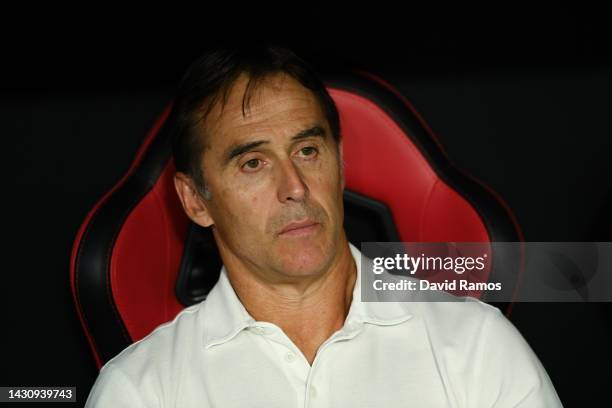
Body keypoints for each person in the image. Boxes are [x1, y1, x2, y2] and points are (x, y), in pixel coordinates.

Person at [85, 45, 562, 407]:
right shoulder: (140, 391)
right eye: (253, 163)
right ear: (195, 201)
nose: (293, 186)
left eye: (307, 151)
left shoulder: (477, 345)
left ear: (341, 164)